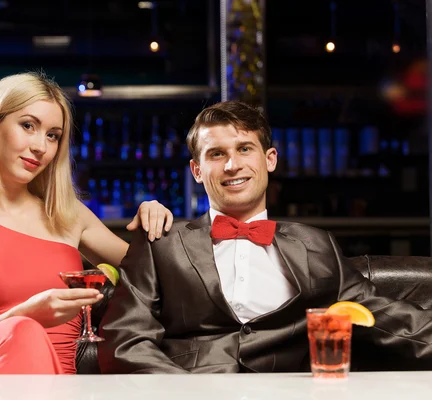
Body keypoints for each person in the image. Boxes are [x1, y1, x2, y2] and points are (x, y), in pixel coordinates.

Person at [98, 100, 432, 374]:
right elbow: (125, 339)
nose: (232, 165)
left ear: (269, 160)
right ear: (197, 170)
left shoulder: (315, 244)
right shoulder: (160, 241)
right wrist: (186, 392)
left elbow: (383, 315)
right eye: (216, 154)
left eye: (245, 149)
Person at [0, 72, 173, 375]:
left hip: (57, 385)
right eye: (28, 126)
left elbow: (155, 273)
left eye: (53, 135)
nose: (41, 146)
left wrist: (153, 219)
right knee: (23, 332)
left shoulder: (67, 215)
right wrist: (25, 316)